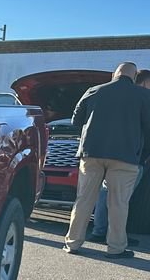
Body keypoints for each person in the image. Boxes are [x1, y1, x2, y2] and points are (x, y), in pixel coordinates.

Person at [63, 62, 150, 259]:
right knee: (119, 203)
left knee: (84, 200)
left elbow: (75, 120)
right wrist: (143, 153)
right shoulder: (144, 96)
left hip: (91, 154)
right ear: (134, 76)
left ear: (114, 74)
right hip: (126, 157)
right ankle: (116, 248)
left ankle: (73, 243)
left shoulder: (93, 90)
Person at [87, 68, 150, 245]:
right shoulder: (143, 98)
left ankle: (99, 231)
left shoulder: (109, 95)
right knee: (121, 199)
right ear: (144, 82)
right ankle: (116, 238)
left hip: (99, 153)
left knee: (103, 194)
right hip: (131, 157)